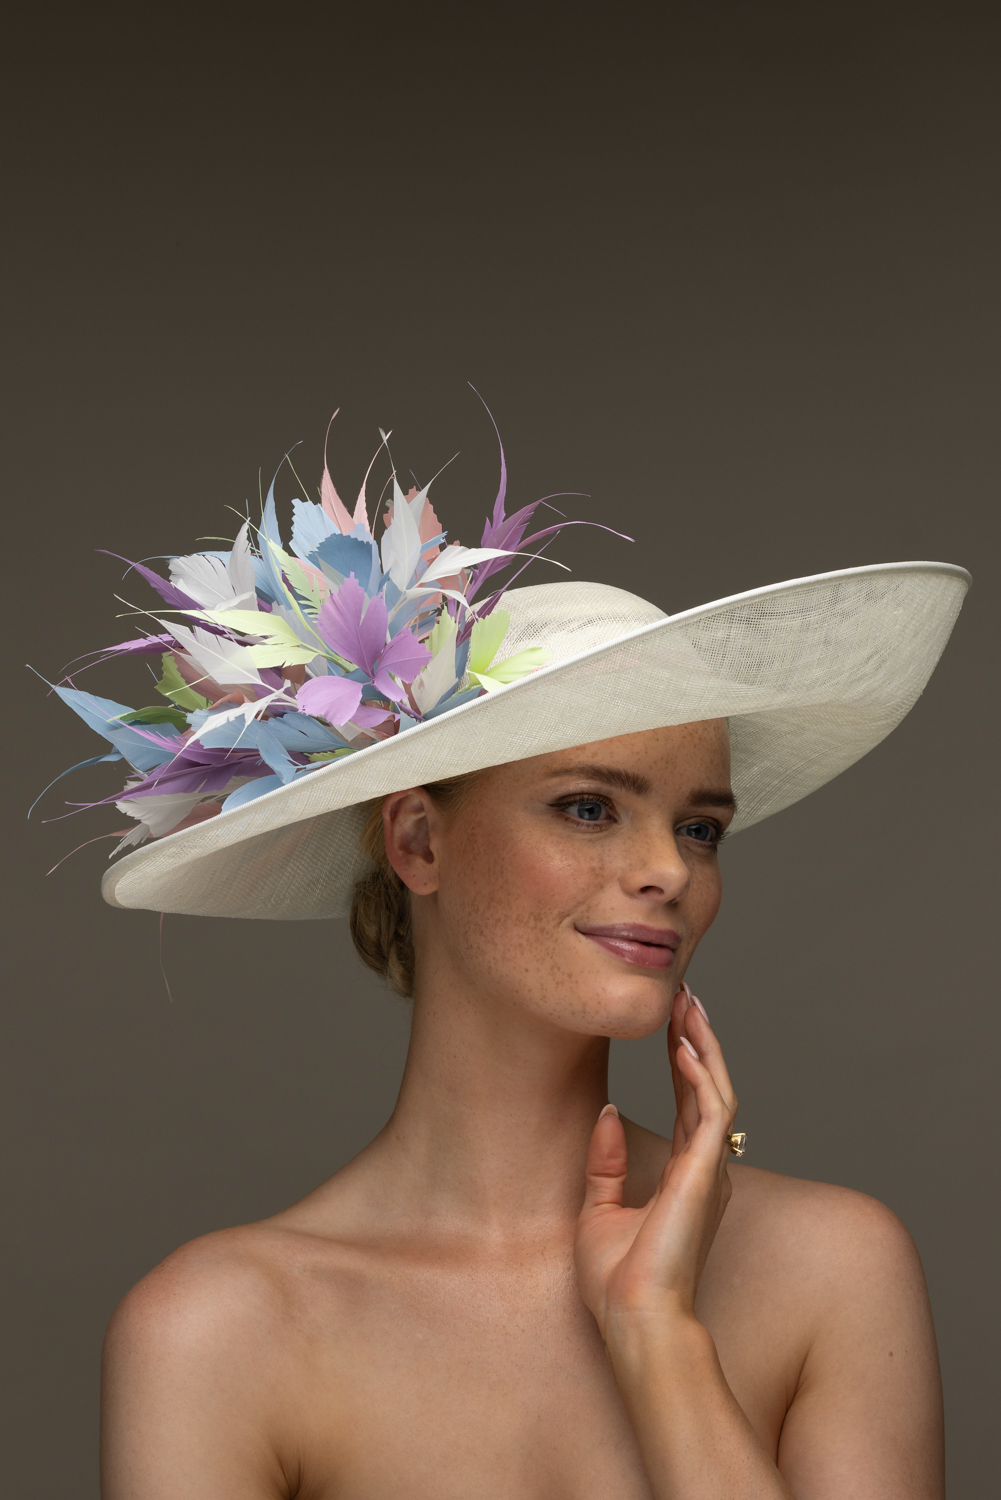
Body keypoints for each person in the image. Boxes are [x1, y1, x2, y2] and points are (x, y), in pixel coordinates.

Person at [41, 422, 966, 1496]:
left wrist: (657, 1334)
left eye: (699, 828)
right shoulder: (218, 1331)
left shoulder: (832, 1270)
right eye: (589, 808)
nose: (667, 869)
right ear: (417, 841)